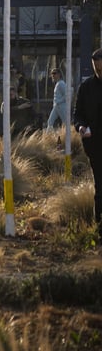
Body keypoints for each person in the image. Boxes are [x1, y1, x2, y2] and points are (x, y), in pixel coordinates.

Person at [74, 48, 102, 234]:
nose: (98, 71)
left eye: (100, 68)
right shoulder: (86, 88)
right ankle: (98, 226)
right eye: (96, 68)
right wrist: (81, 127)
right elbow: (78, 115)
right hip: (95, 146)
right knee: (100, 186)